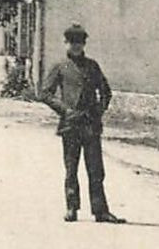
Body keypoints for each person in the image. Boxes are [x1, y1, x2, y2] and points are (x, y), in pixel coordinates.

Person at [39, 24, 125, 224]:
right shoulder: (60, 66)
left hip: (90, 125)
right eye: (71, 42)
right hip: (70, 125)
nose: (75, 46)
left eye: (79, 42)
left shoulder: (92, 66)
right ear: (66, 43)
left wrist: (98, 112)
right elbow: (44, 93)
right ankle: (71, 207)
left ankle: (100, 211)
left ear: (84, 44)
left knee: (96, 170)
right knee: (71, 168)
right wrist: (64, 110)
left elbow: (106, 92)